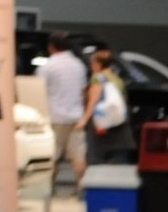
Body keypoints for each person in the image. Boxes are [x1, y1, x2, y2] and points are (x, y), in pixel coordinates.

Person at [38, 29, 88, 199]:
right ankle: (81, 187)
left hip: (55, 116)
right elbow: (83, 92)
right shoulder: (78, 65)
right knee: (78, 154)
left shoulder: (48, 66)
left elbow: (38, 91)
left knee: (52, 154)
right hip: (77, 116)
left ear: (51, 47)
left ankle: (48, 188)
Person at [84, 46, 134, 165]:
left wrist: (84, 120)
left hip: (101, 127)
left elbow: (93, 102)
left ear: (98, 64)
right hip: (120, 125)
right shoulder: (118, 80)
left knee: (96, 161)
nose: (91, 66)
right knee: (119, 162)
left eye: (92, 63)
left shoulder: (97, 79)